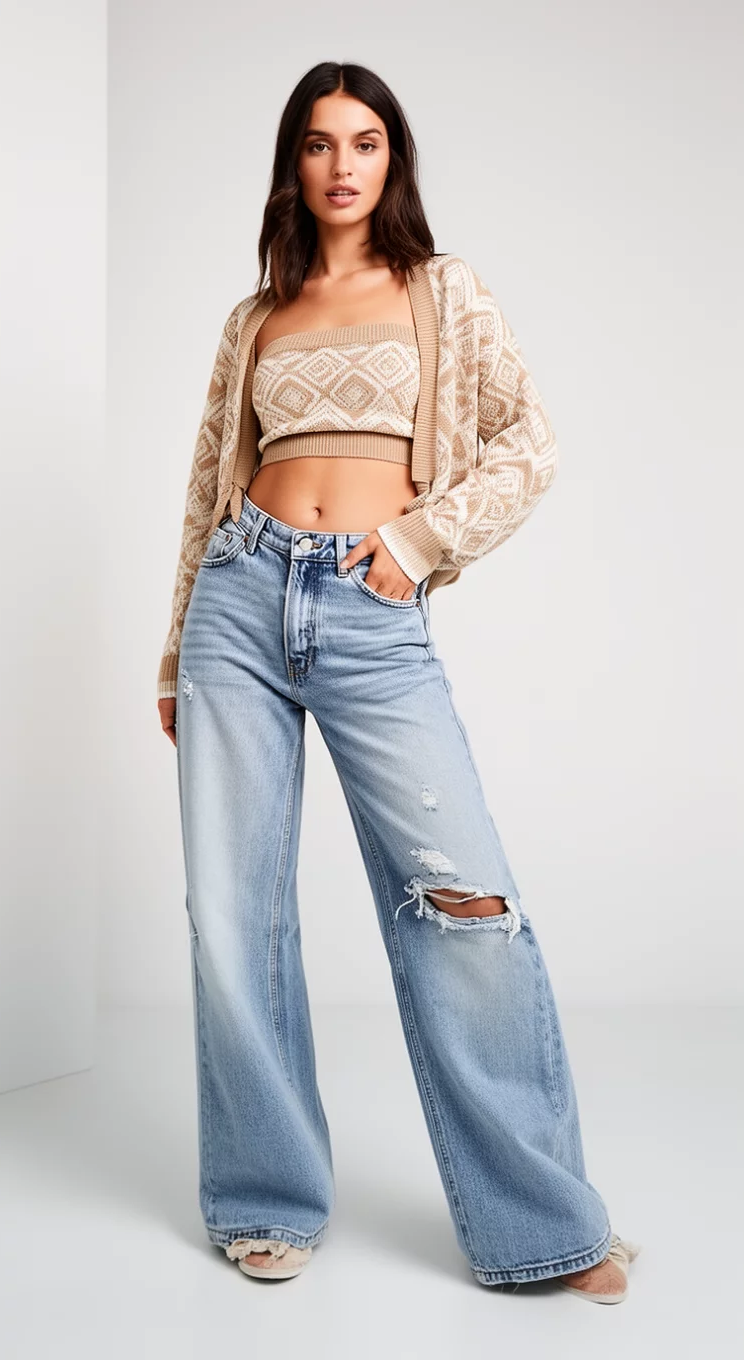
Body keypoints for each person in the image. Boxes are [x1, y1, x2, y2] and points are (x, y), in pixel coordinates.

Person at [157, 60, 640, 1302]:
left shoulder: (442, 290)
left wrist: (418, 543)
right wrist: (173, 648)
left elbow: (530, 441)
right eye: (320, 143)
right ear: (294, 162)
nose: (342, 166)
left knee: (465, 904)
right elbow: (210, 483)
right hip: (237, 603)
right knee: (232, 916)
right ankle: (264, 1196)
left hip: (370, 613)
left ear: (393, 159)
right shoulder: (254, 318)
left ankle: (545, 1220)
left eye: (364, 142)